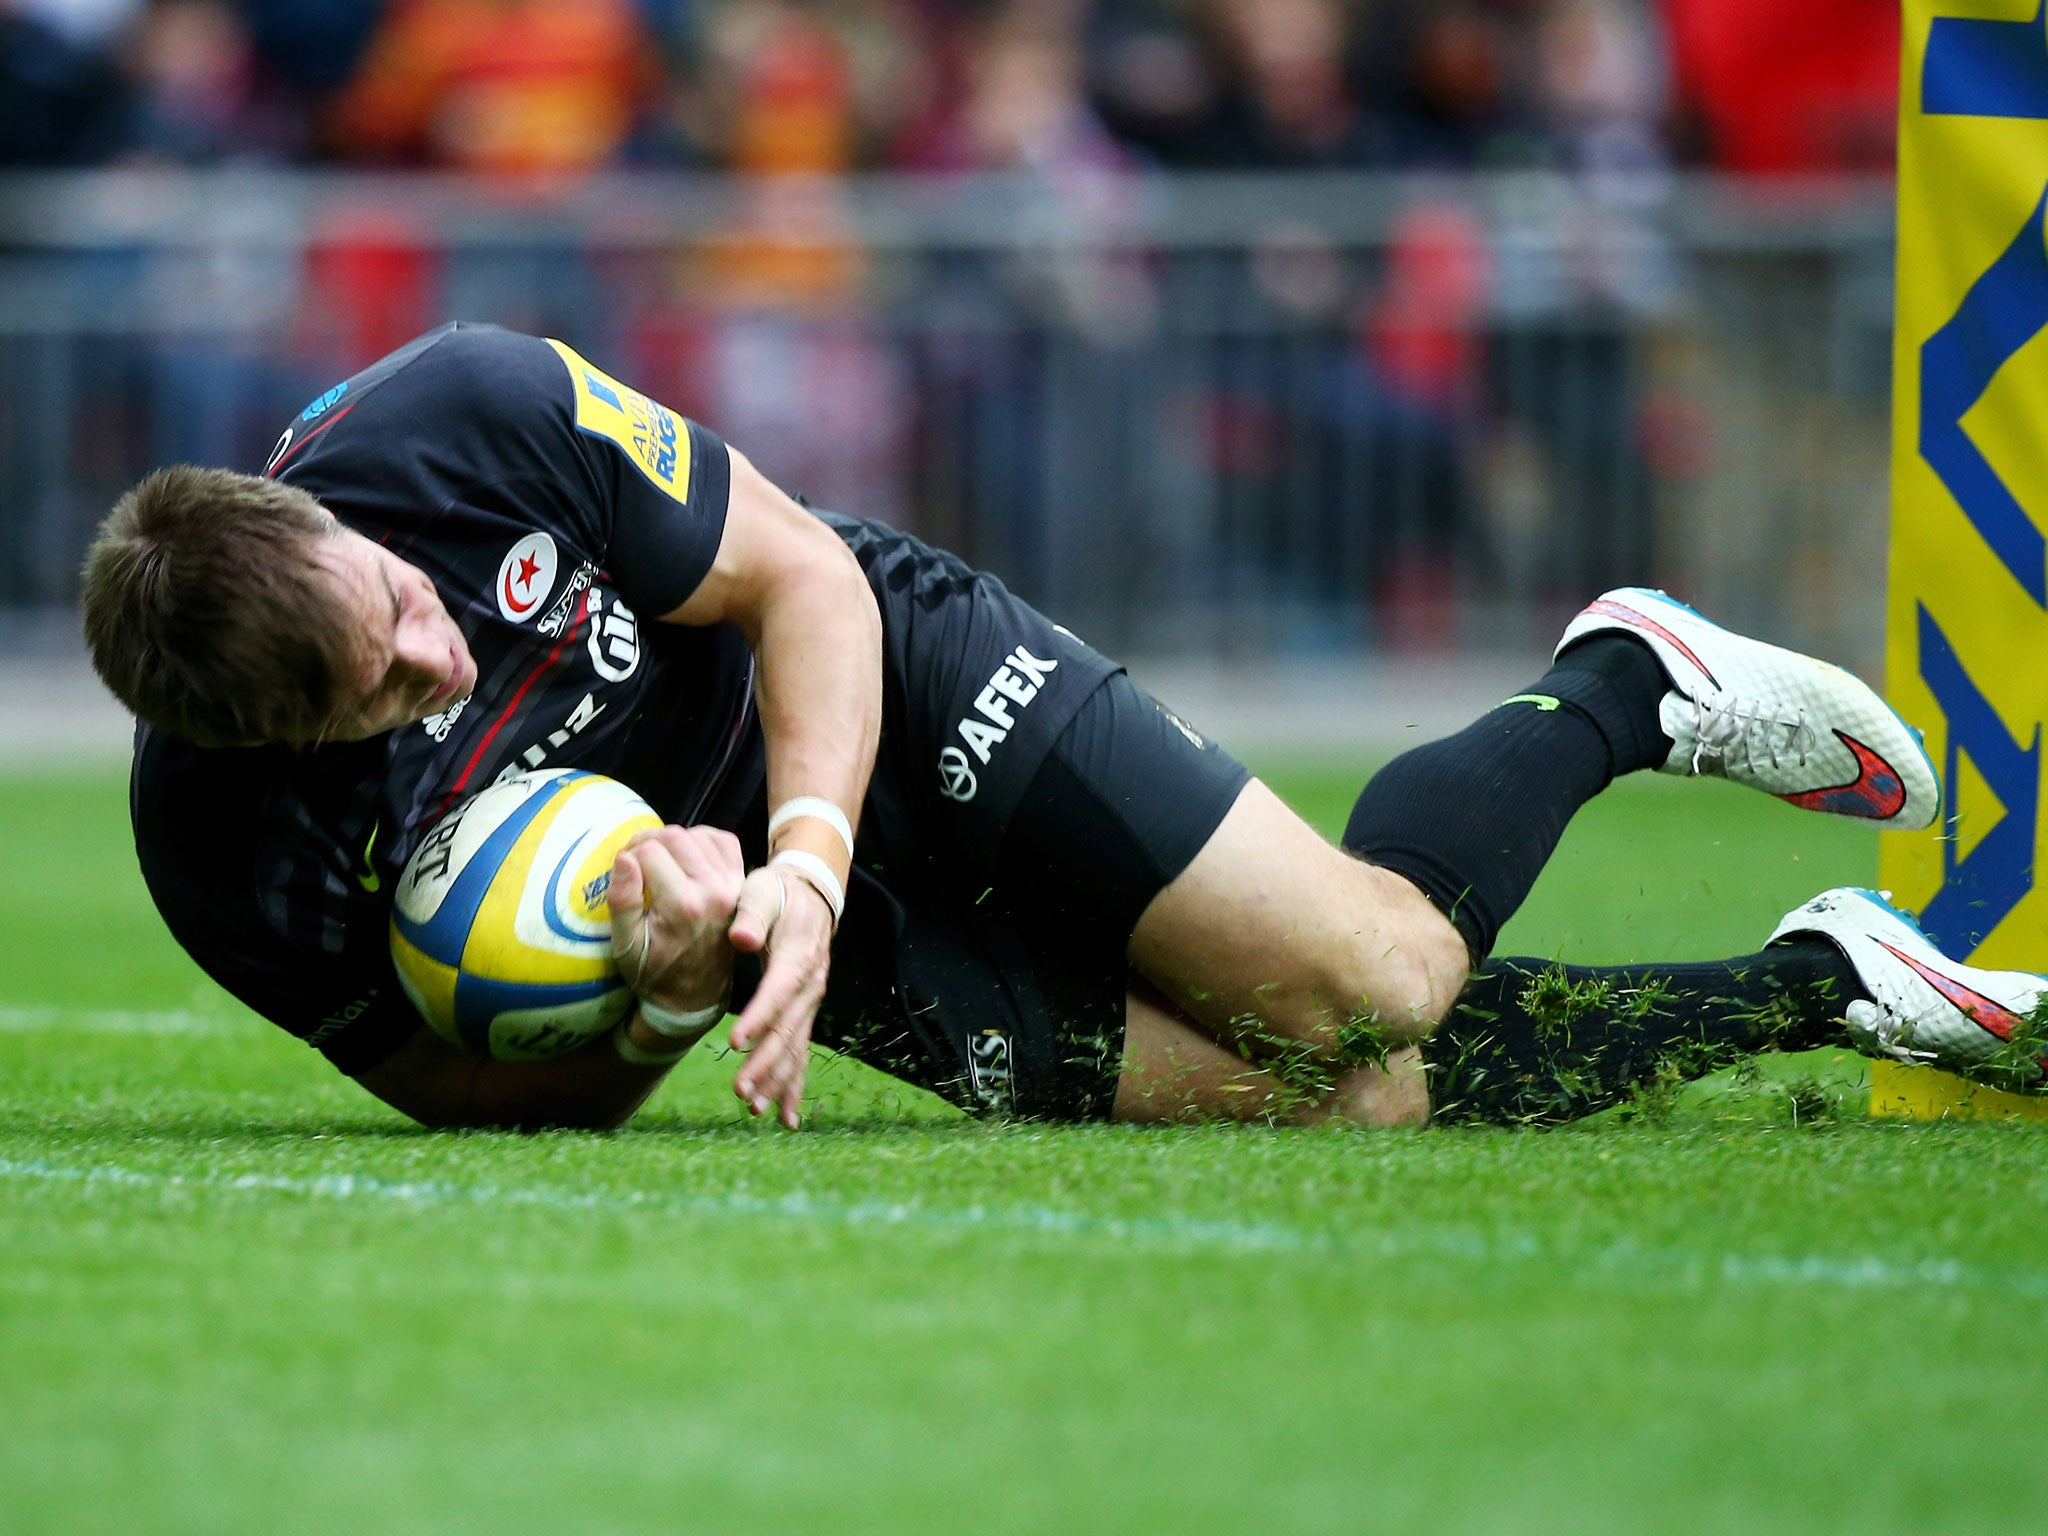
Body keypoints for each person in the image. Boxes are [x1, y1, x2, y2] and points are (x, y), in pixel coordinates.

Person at [79, 323, 2045, 1134]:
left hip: (877, 696)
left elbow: (803, 586)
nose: (433, 659)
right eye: (389, 692)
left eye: (407, 611)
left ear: (330, 522)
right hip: (773, 931)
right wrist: (654, 987)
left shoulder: (467, 415)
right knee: (1350, 1095)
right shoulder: (223, 859)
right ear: (265, 743)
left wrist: (807, 858)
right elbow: (478, 1100)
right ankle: (1818, 985)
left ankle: (1625, 681)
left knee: (1378, 969)